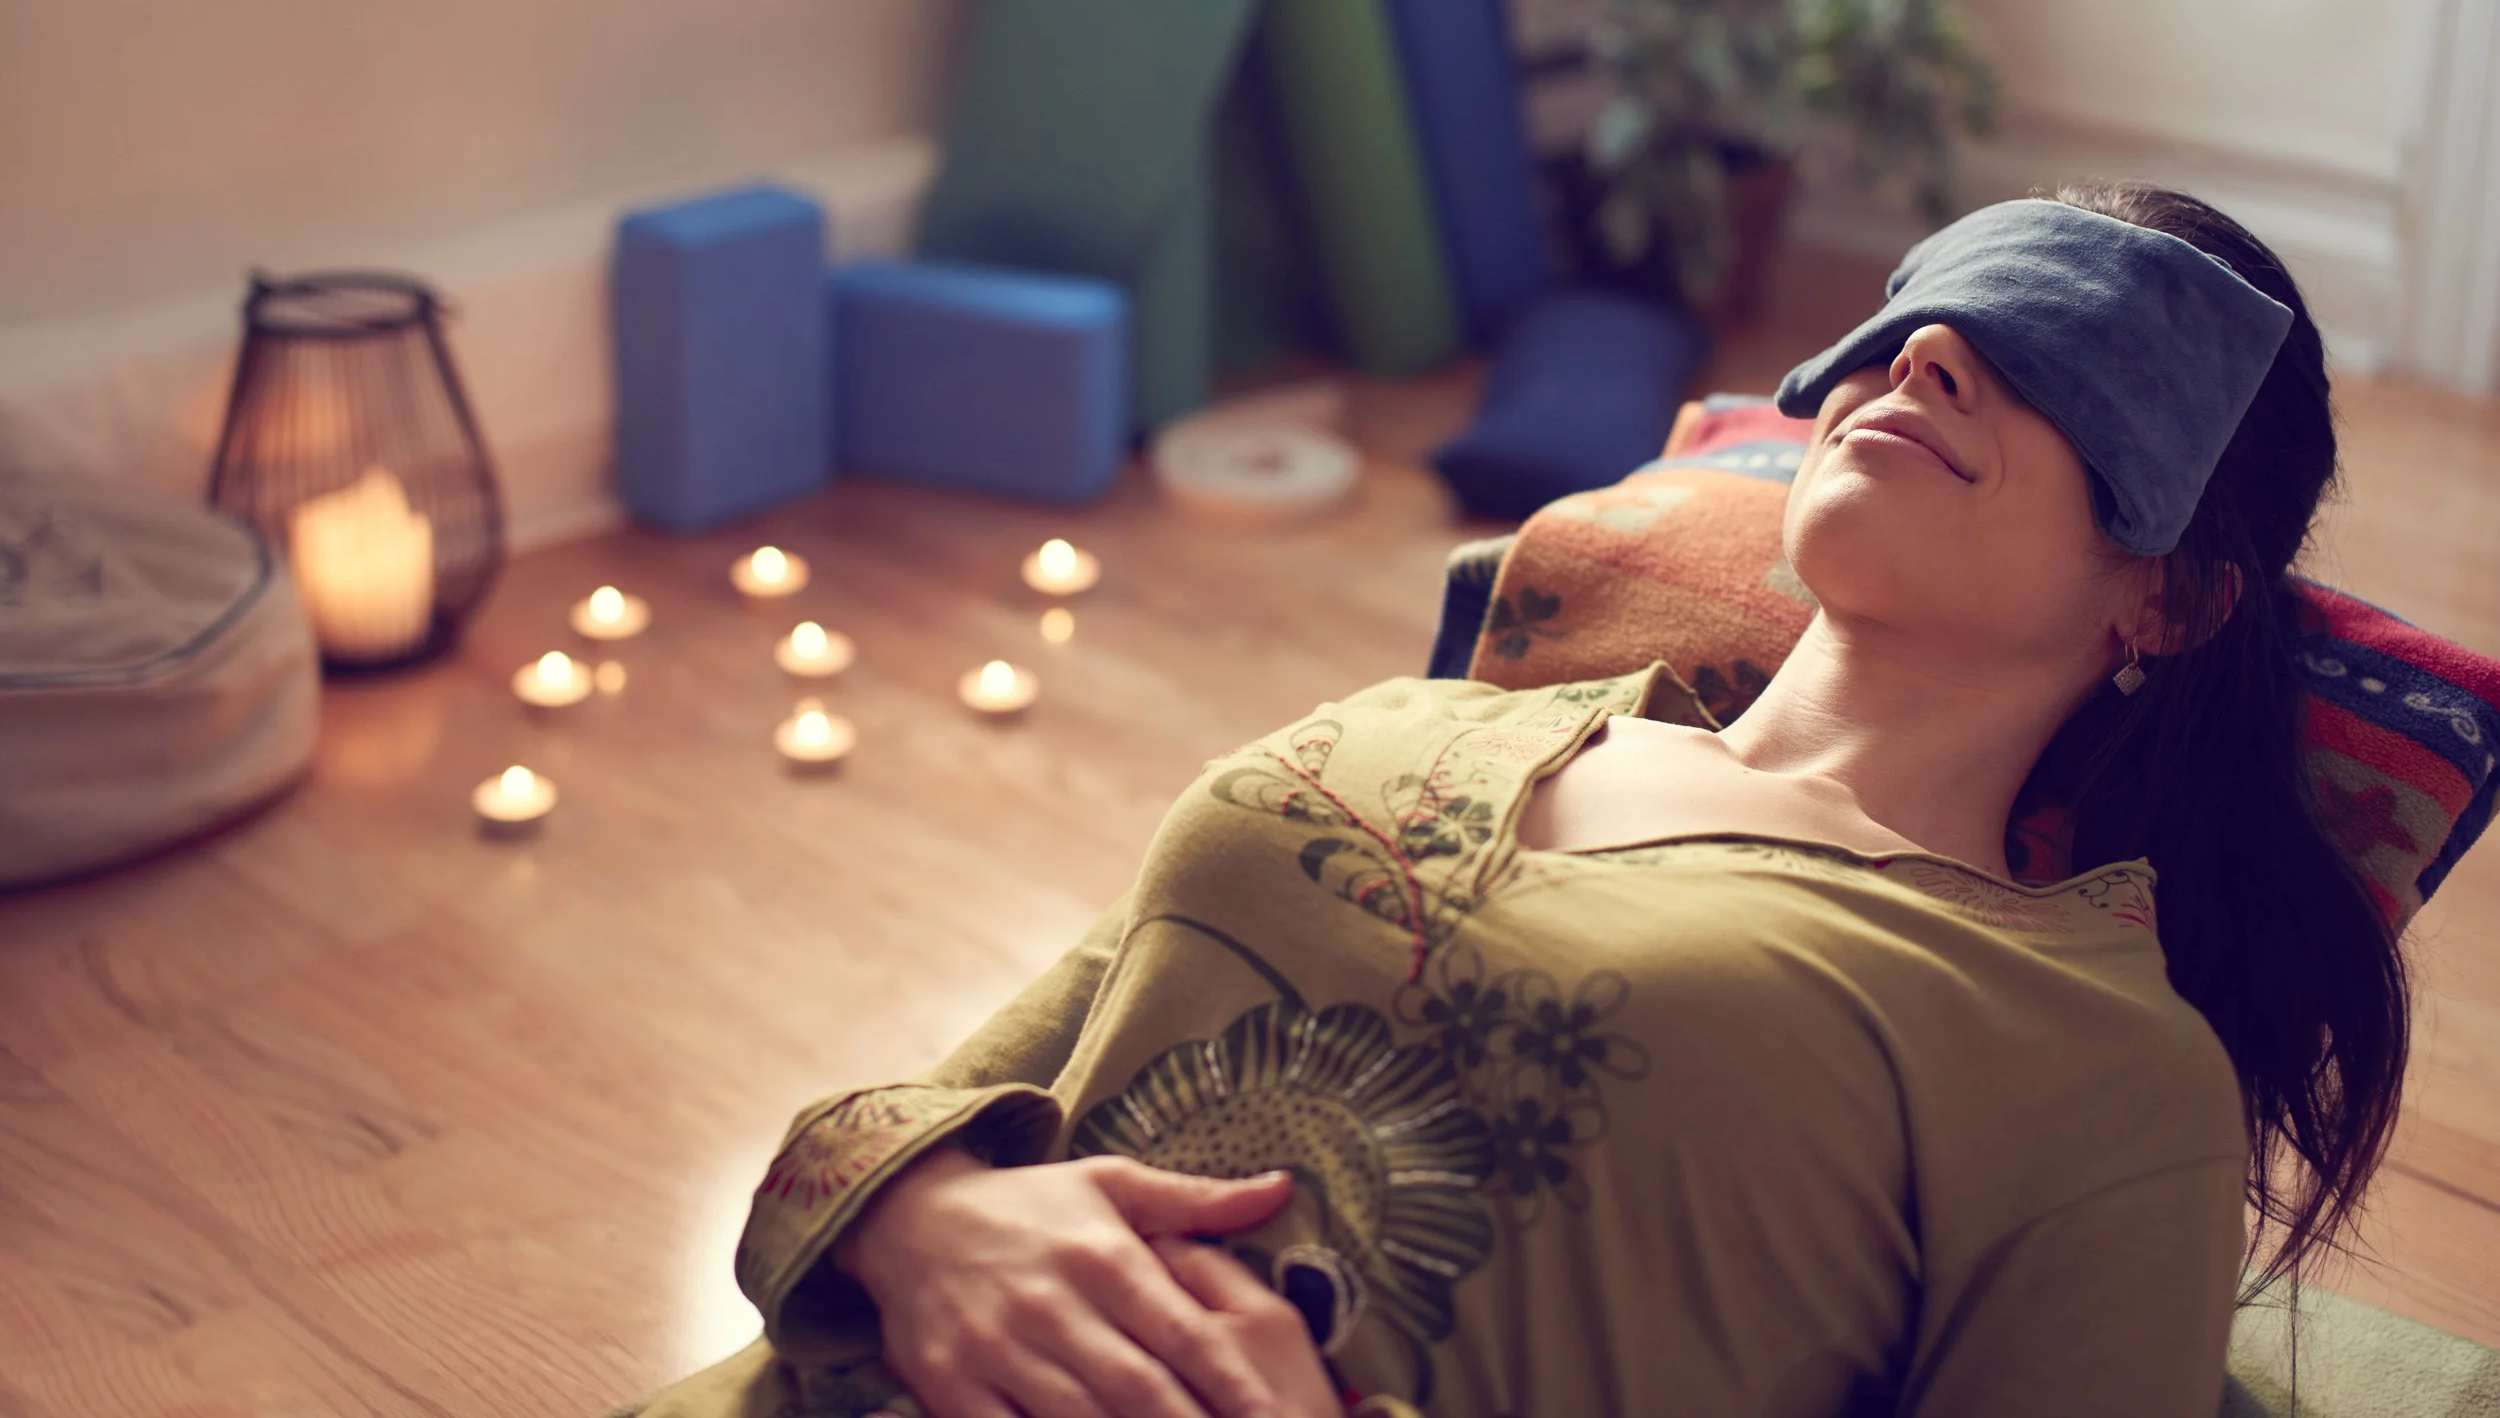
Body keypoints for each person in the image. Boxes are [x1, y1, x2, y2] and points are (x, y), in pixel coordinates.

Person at [617, 183, 2409, 1418]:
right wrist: (932, 1221)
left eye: (2065, 361)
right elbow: (906, 1116)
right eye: (1914, 319)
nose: (1923, 359)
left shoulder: (2081, 1056)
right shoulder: (1407, 730)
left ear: (2166, 597)